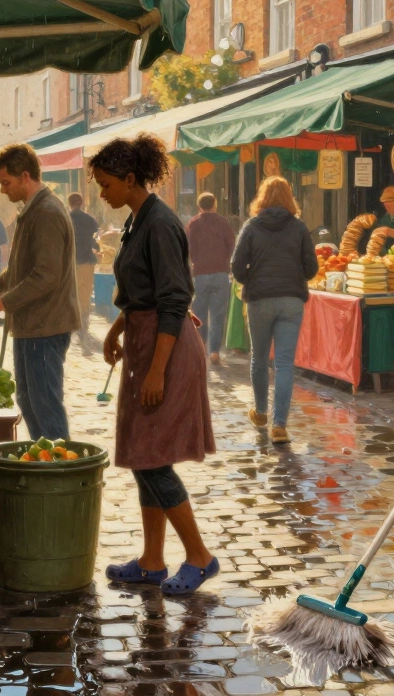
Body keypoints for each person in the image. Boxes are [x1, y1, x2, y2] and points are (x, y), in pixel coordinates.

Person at [92, 133, 219, 595]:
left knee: (152, 459)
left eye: (106, 185)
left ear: (130, 179)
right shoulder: (136, 220)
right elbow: (139, 291)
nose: (102, 194)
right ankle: (151, 560)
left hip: (166, 348)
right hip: (144, 340)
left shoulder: (160, 223)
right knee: (145, 454)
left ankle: (200, 557)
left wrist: (157, 371)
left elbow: (172, 299)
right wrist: (116, 330)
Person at [0, 144, 81, 440]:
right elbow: (22, 267)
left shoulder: (46, 212)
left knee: (44, 407)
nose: (2, 190)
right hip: (32, 325)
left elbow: (46, 275)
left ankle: (57, 465)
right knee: (30, 403)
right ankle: (45, 463)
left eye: (6, 182)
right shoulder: (34, 209)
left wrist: (2, 303)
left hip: (45, 326)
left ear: (25, 176)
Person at [231, 176, 318, 444]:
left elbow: (236, 266)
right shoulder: (299, 227)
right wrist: (295, 275)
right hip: (291, 301)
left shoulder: (251, 226)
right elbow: (312, 268)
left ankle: (260, 412)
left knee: (259, 359)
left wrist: (253, 279)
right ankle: (280, 425)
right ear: (289, 197)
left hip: (259, 299)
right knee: (284, 364)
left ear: (262, 197)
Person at [186, 192, 236, 366]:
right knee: (218, 314)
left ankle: (201, 346)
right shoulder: (223, 222)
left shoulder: (193, 223)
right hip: (221, 273)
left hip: (200, 273)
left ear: (199, 206)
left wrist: (195, 261)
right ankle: (214, 351)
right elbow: (232, 244)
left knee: (199, 312)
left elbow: (188, 248)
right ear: (215, 205)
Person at [68, 192, 102, 355]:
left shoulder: (65, 218)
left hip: (70, 264)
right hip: (87, 262)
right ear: (81, 203)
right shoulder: (90, 220)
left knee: (71, 295)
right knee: (85, 297)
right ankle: (84, 332)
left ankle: (72, 328)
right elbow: (94, 240)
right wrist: (98, 248)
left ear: (69, 204)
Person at [360, 185, 394, 255]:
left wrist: (387, 231)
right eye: (385, 202)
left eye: (389, 201)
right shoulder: (386, 217)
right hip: (385, 255)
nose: (386, 204)